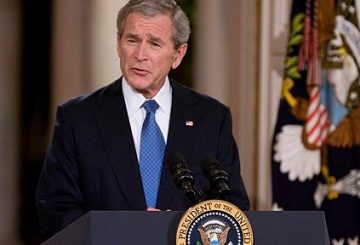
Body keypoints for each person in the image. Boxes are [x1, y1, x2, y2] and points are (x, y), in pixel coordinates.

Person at [36, 0, 250, 240]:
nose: (140, 55)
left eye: (154, 43)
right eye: (132, 40)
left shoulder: (211, 118)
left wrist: (181, 229)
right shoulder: (78, 118)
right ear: (119, 45)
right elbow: (55, 212)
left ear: (178, 55)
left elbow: (234, 210)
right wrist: (123, 230)